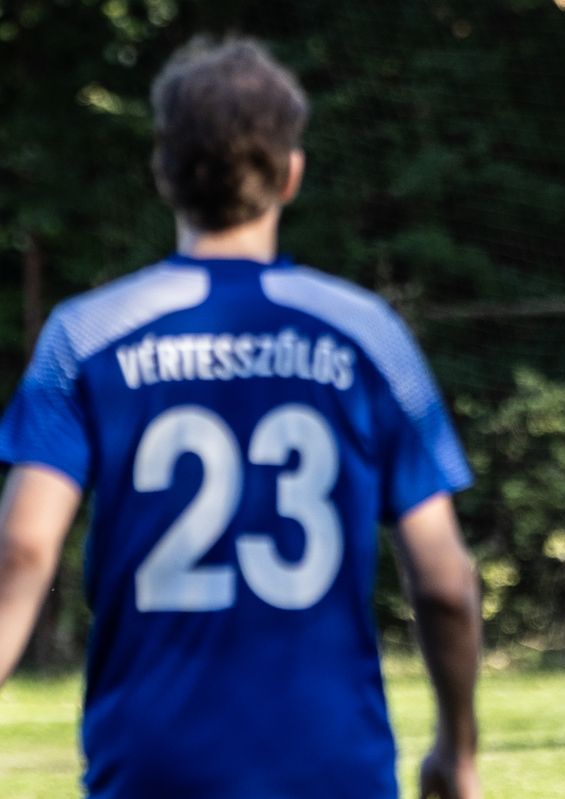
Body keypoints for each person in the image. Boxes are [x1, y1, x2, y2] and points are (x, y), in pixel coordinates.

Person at [0, 38, 482, 799]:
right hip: (332, 762)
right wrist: (456, 750)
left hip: (152, 761)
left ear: (163, 171)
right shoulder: (366, 333)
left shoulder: (86, 334)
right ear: (292, 173)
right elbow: (445, 582)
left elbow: (25, 546)